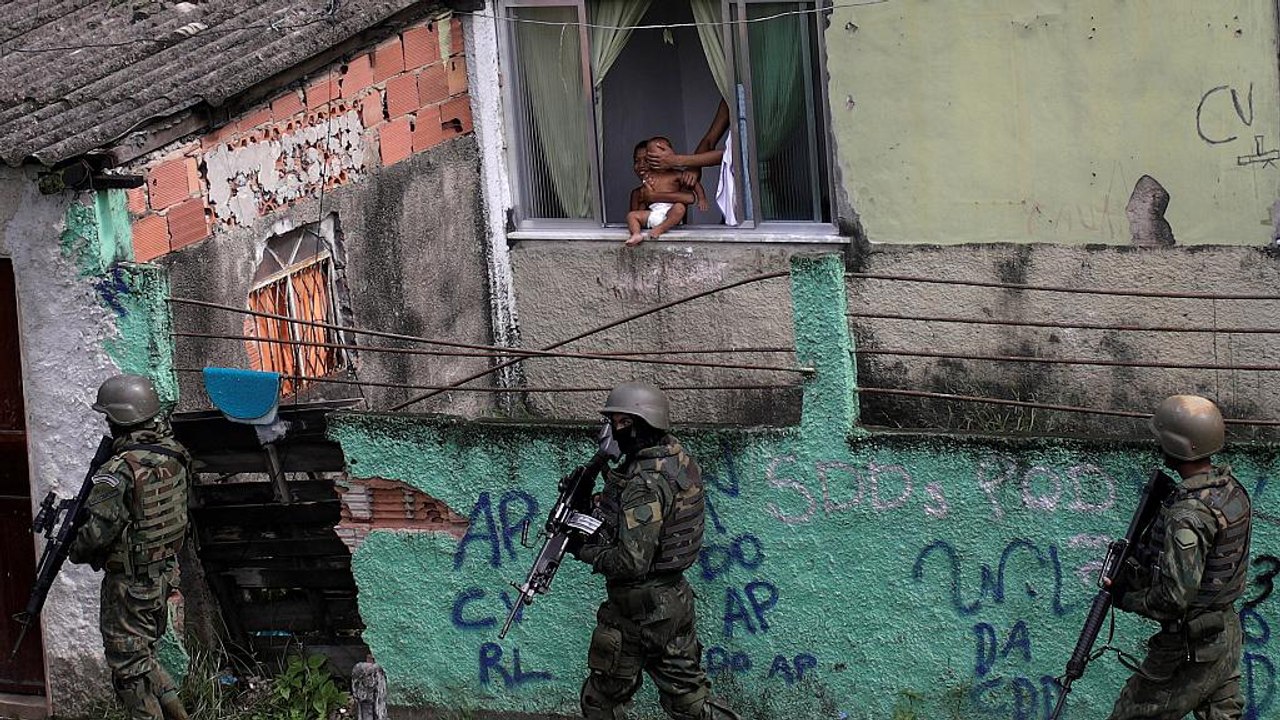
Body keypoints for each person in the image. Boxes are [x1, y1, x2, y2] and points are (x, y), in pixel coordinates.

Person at [571, 382, 739, 720]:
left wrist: (582, 549)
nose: (613, 432)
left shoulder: (644, 485)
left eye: (620, 423)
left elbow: (631, 561)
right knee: (689, 703)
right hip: (671, 600)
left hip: (639, 610)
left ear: (640, 425)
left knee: (600, 700)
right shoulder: (673, 457)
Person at [1105, 394, 1252, 719]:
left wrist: (1126, 597)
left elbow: (1174, 597)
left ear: (1177, 446)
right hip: (1222, 632)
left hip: (1191, 646)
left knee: (1133, 713)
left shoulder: (1188, 513)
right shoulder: (1229, 490)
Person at [69, 374, 192, 720]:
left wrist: (76, 549)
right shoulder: (174, 454)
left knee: (128, 671)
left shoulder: (118, 471)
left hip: (130, 586)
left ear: (119, 419)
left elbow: (97, 533)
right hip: (164, 575)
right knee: (141, 658)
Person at [627, 138, 709, 247]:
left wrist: (702, 198)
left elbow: (691, 195)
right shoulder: (647, 180)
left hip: (670, 216)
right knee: (631, 216)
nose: (642, 165)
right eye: (636, 161)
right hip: (654, 214)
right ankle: (636, 235)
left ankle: (661, 228)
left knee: (679, 208)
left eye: (648, 160)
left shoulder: (676, 174)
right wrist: (646, 194)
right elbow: (640, 212)